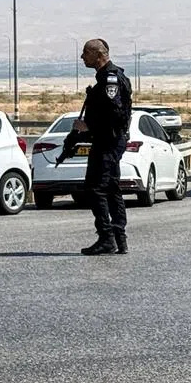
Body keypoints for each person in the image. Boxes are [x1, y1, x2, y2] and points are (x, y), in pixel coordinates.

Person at [70, 39, 133, 255]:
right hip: (108, 140)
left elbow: (114, 115)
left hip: (109, 141)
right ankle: (119, 238)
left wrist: (87, 126)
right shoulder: (105, 79)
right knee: (111, 187)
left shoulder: (110, 80)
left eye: (86, 53)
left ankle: (107, 237)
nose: (82, 57)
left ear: (99, 55)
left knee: (95, 188)